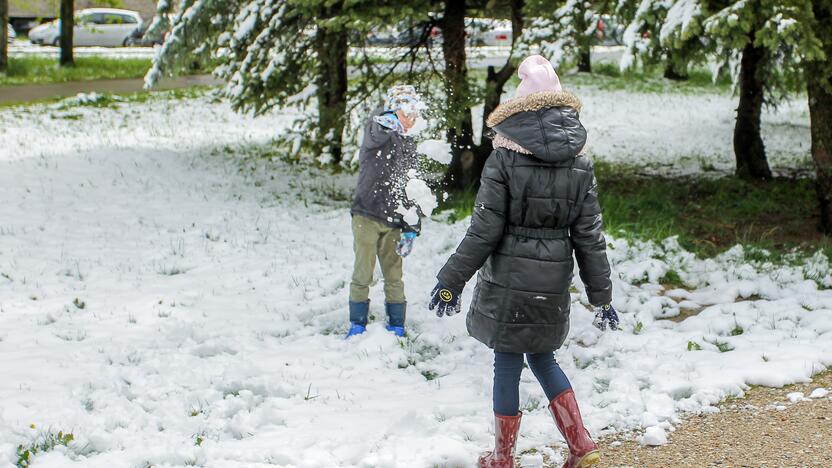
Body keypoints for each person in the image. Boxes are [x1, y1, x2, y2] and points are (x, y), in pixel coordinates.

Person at [428, 55, 619, 468]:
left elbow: (483, 232)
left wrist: (451, 280)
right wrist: (602, 297)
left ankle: (502, 457)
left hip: (508, 283)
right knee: (545, 358)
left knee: (508, 362)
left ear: (520, 110)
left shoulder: (503, 161)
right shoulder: (580, 165)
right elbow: (590, 237)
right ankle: (583, 447)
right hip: (553, 281)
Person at [347, 85, 425, 339]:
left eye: (414, 114)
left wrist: (411, 228)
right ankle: (357, 323)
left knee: (394, 273)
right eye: (405, 113)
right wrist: (385, 120)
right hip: (366, 216)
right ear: (392, 111)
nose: (411, 119)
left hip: (394, 222)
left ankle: (396, 324)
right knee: (363, 272)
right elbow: (375, 132)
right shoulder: (376, 132)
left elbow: (413, 189)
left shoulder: (409, 146)